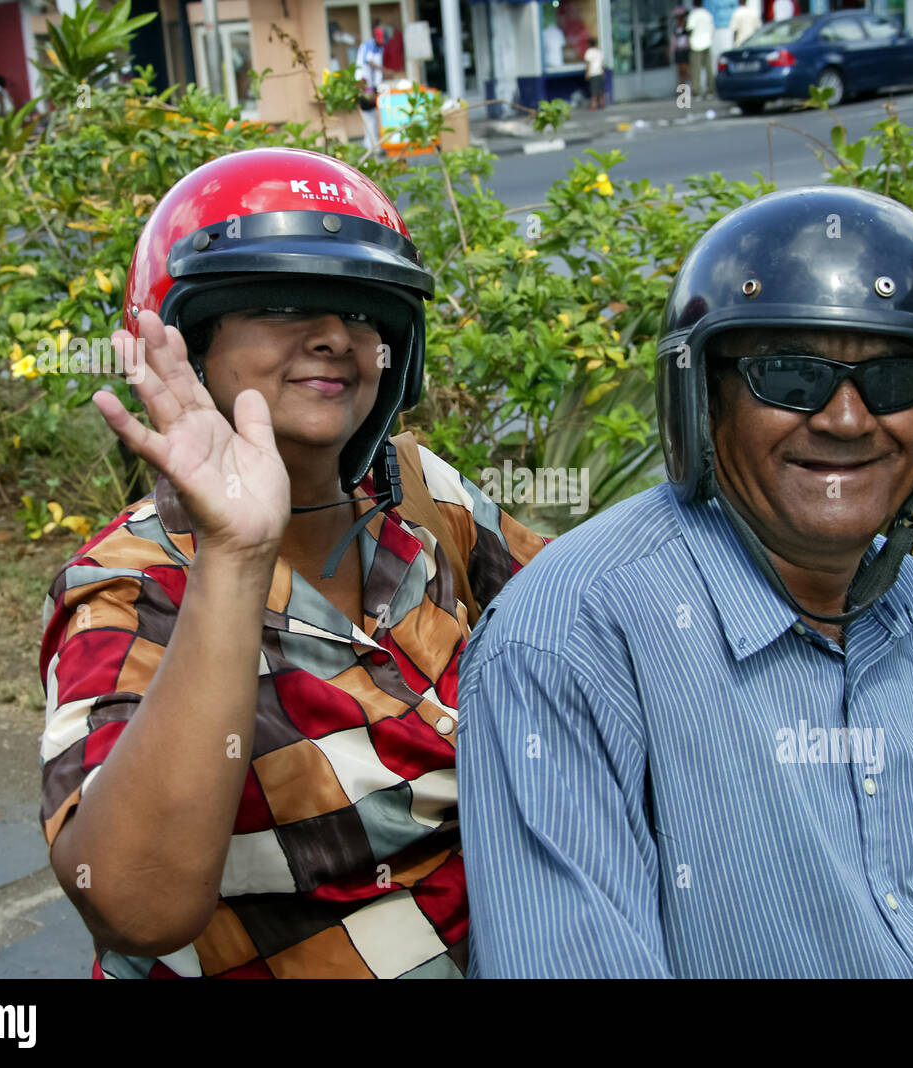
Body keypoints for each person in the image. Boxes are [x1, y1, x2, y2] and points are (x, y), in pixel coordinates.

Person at [456, 186, 913, 980]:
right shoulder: (568, 642)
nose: (846, 419)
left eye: (894, 379)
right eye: (792, 377)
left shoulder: (909, 604)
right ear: (706, 403)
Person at [38, 148, 547, 978]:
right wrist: (236, 557)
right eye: (280, 303)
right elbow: (135, 904)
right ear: (190, 344)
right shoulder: (127, 589)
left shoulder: (418, 492)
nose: (335, 337)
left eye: (360, 309)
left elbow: (579, 617)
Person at [686, 0, 715, 101]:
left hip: (696, 44)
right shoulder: (707, 14)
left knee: (696, 69)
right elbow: (712, 28)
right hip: (707, 42)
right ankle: (710, 90)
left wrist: (688, 39)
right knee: (709, 68)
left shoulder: (693, 14)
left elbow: (690, 28)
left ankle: (697, 92)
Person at [670, 6, 691, 92]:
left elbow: (689, 36)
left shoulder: (687, 24)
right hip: (678, 50)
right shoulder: (676, 26)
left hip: (685, 49)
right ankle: (681, 90)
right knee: (680, 72)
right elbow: (674, 39)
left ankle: (694, 88)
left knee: (686, 70)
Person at [583, 36, 606, 110]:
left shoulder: (589, 52)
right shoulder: (598, 51)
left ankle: (594, 105)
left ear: (589, 44)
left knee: (593, 90)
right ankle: (602, 103)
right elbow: (602, 63)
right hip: (599, 72)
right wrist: (603, 72)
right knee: (601, 89)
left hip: (593, 73)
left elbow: (588, 63)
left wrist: (587, 72)